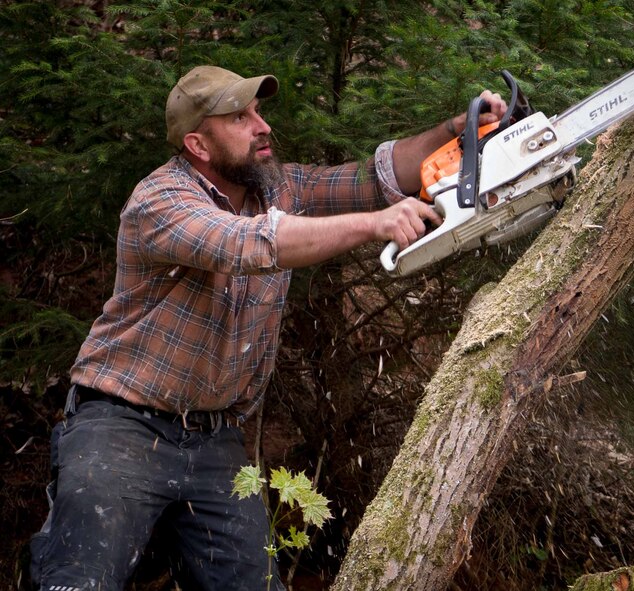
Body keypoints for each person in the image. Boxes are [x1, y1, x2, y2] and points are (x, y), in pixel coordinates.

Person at [29, 65, 507, 590]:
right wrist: (376, 224)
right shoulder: (159, 201)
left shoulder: (280, 189)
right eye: (240, 117)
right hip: (120, 427)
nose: (263, 126)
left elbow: (378, 178)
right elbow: (248, 244)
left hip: (213, 442)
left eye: (258, 112)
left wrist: (456, 132)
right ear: (198, 144)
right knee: (78, 579)